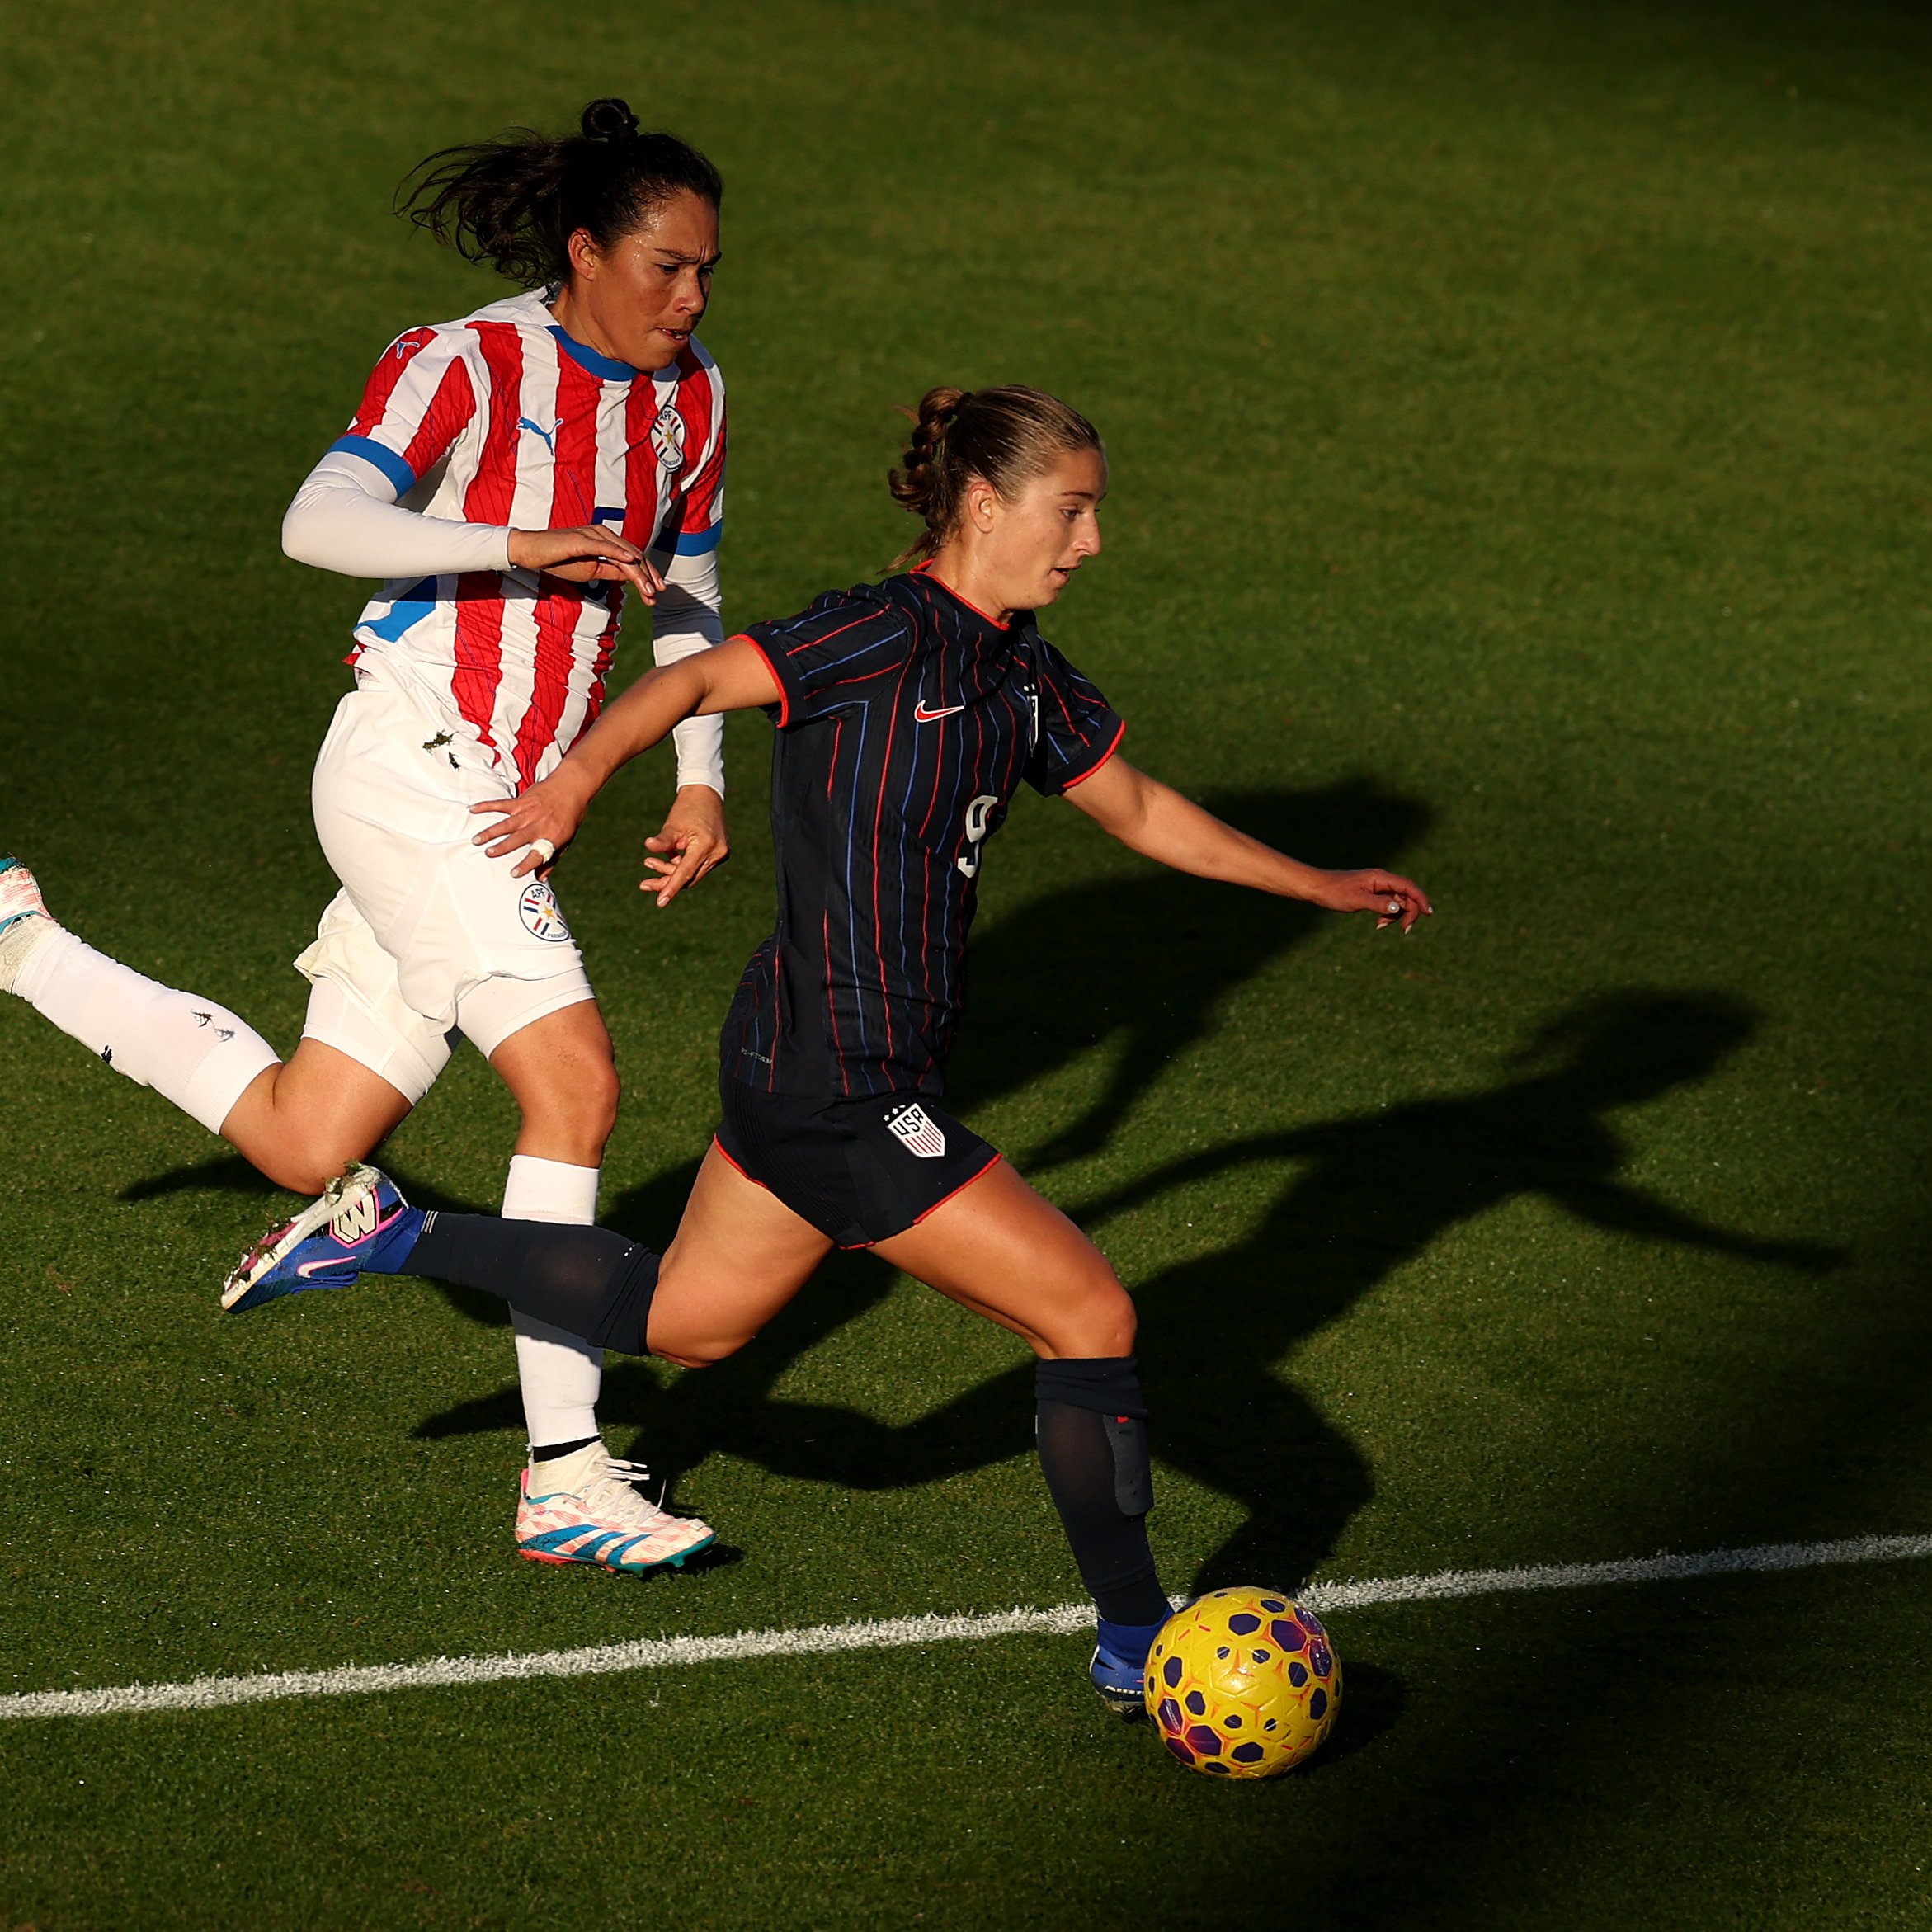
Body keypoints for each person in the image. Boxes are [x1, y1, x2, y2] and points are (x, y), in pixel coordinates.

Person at [221, 384, 1434, 1704]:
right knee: (1088, 1312)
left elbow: (1136, 806)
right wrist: (576, 782)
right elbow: (694, 673)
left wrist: (1316, 884)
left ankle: (389, 1230)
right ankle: (1139, 1637)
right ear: (983, 503)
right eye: (1070, 511)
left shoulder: (1020, 671)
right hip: (838, 1080)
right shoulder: (876, 632)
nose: (1089, 542)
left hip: (824, 1060)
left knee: (685, 1325)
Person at [0, 99, 735, 1575]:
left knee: (304, 1133)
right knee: (575, 1090)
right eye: (663, 267)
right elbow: (316, 523)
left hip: (504, 803)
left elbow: (690, 585)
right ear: (584, 252)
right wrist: (514, 543)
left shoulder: (691, 398)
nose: (691, 298)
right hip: (419, 765)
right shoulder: (463, 363)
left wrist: (700, 771)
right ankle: (566, 1474)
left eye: (708, 269)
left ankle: (18, 941)